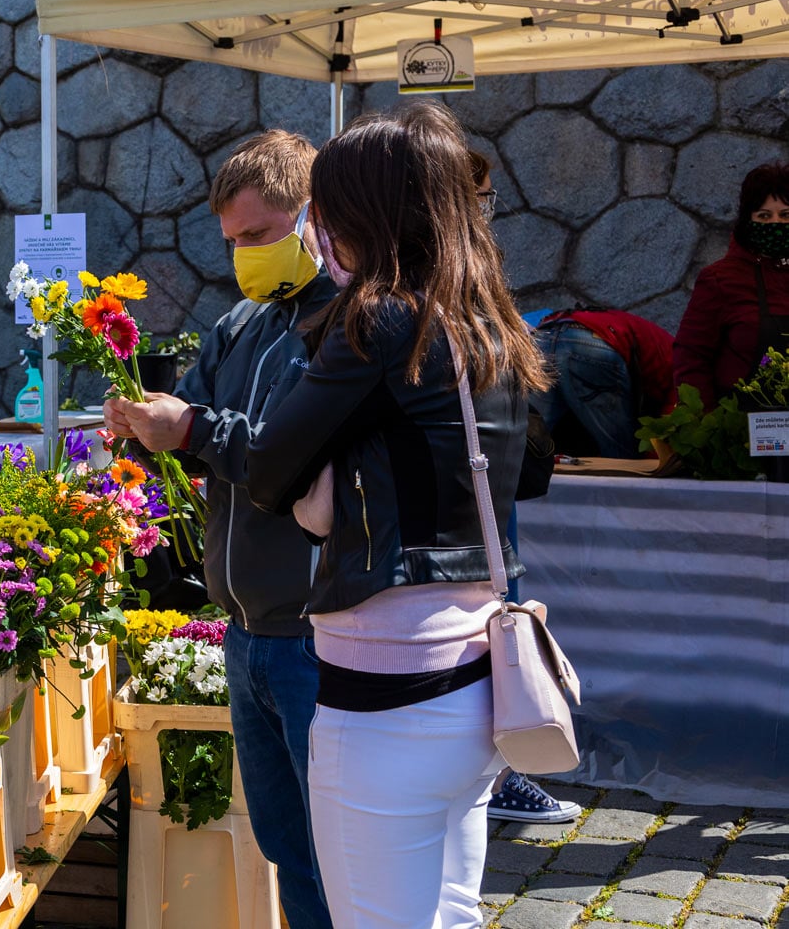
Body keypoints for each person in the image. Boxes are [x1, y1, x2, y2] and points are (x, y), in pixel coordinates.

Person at [245, 101, 551, 928]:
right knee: (449, 914)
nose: (317, 228)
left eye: (326, 209)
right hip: (476, 687)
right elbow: (527, 476)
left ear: (364, 214)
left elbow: (269, 469)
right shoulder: (491, 324)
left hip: (386, 693)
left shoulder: (377, 322)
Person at [103, 129, 337, 929]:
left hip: (314, 636)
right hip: (242, 633)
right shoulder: (238, 324)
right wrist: (144, 428)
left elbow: (278, 453)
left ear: (313, 219)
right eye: (234, 241)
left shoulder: (343, 326)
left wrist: (193, 428)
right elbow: (201, 439)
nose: (244, 256)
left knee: (336, 846)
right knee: (284, 843)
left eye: (260, 236)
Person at [469, 150, 583, 826]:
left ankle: (503, 767)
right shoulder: (447, 272)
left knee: (503, 610)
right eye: (477, 196)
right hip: (474, 476)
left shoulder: (476, 266)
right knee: (493, 619)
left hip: (495, 467)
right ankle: (498, 772)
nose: (488, 209)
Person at [674, 162, 789, 409]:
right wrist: (705, 425)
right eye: (764, 216)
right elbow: (691, 358)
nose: (776, 224)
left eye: (786, 215)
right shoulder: (720, 280)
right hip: (738, 433)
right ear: (748, 220)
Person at [531, 308, 676, 458]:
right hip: (589, 342)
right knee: (622, 456)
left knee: (526, 441)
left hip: (545, 336)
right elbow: (671, 421)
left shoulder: (659, 344)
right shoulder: (682, 368)